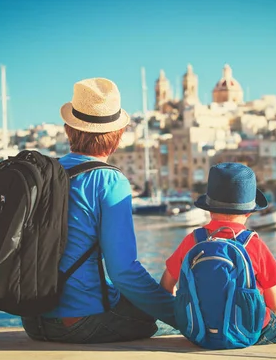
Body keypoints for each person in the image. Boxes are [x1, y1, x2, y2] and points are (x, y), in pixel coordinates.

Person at [21, 77, 176, 344]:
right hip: (80, 324)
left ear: (69, 130)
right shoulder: (109, 181)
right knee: (161, 322)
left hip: (33, 322)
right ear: (117, 137)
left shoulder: (45, 174)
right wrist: (182, 314)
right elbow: (123, 271)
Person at [159, 162, 276, 345]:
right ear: (250, 212)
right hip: (250, 329)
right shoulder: (255, 244)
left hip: (197, 330)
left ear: (209, 209)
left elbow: (166, 285)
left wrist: (187, 317)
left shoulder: (193, 240)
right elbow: (275, 303)